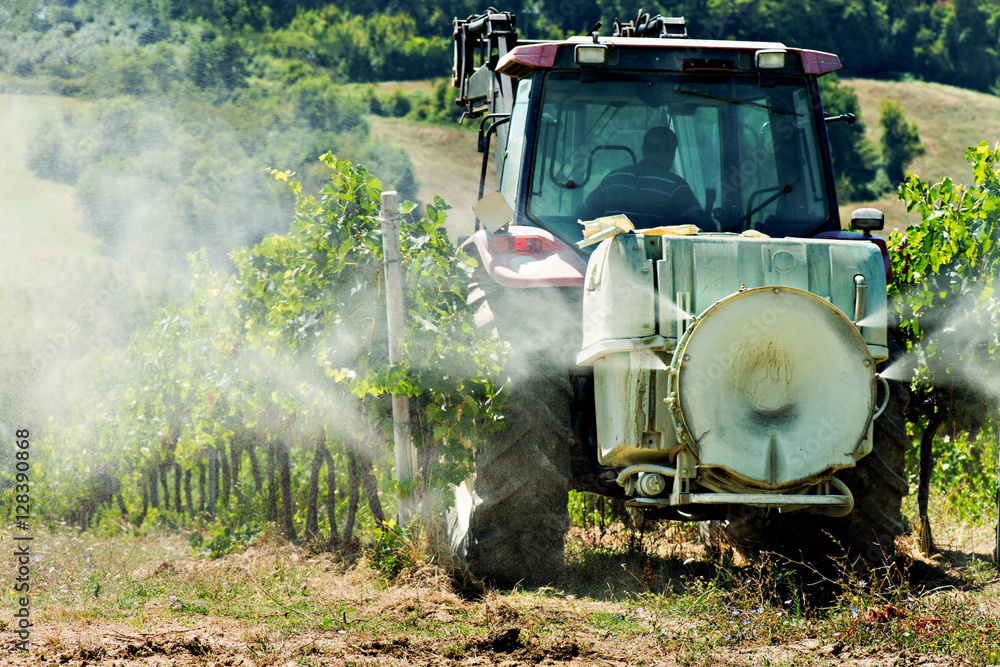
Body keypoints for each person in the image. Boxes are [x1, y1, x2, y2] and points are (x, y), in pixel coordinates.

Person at [581, 126, 713, 229]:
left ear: (643, 150)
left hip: (608, 257)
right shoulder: (675, 185)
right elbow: (705, 226)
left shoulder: (613, 178)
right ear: (671, 154)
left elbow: (583, 216)